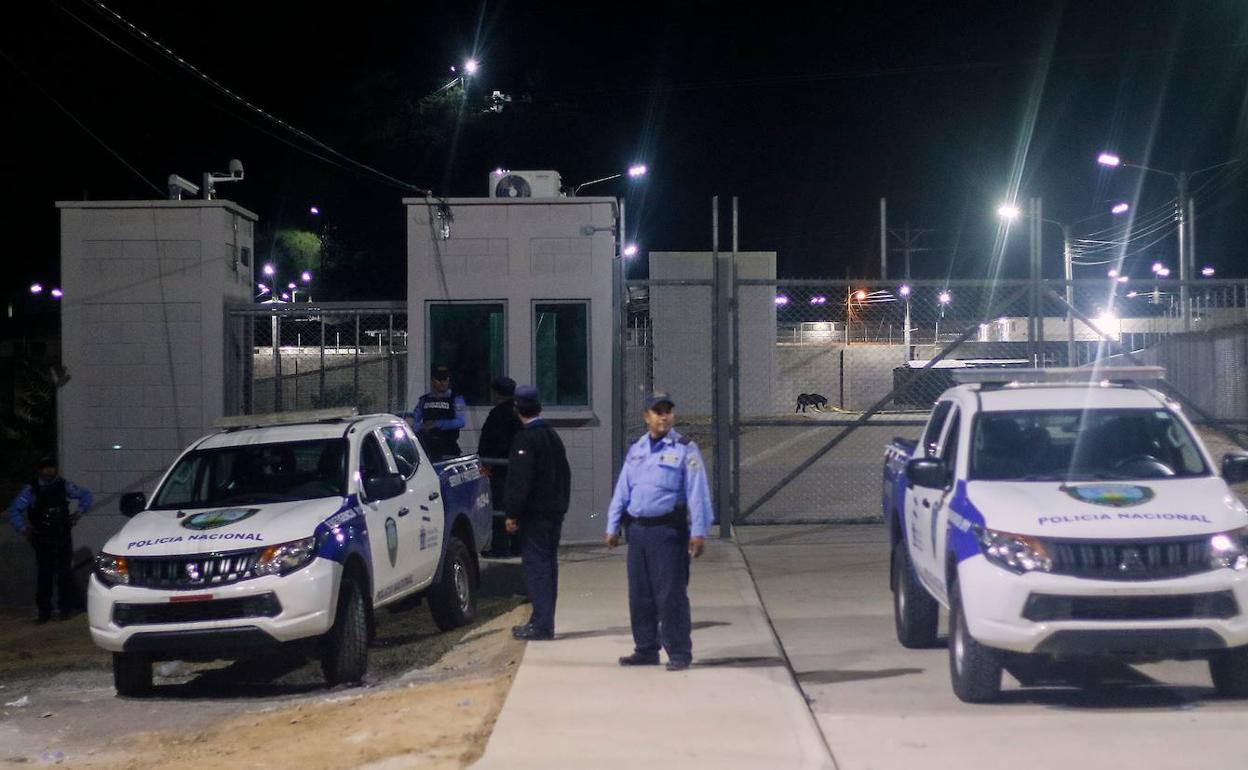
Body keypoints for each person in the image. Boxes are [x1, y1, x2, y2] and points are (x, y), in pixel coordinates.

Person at [604, 392, 713, 671]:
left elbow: (697, 492)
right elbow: (623, 490)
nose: (663, 416)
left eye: (667, 411)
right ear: (646, 417)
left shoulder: (684, 449)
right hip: (638, 532)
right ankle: (646, 649)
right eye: (657, 411)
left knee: (670, 594)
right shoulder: (636, 449)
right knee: (640, 594)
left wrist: (699, 531)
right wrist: (612, 525)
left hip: (668, 532)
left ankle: (678, 652)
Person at [505, 385, 571, 641]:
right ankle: (543, 620)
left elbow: (519, 480)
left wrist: (512, 513)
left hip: (535, 516)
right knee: (548, 567)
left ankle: (542, 625)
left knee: (537, 568)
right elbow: (565, 474)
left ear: (516, 409)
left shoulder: (526, 439)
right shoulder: (552, 436)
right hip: (554, 512)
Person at [7, 456, 94, 623]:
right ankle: (44, 613)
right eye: (46, 468)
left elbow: (86, 495)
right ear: (39, 470)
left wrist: (79, 513)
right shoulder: (31, 490)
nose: (50, 471)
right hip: (42, 537)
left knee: (64, 574)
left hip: (62, 534)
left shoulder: (63, 485)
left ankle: (65, 610)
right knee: (45, 576)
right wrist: (24, 529)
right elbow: (14, 511)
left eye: (52, 467)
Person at [478, 376, 524, 558]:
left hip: (502, 471)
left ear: (497, 393)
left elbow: (492, 442)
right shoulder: (520, 412)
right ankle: (518, 545)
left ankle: (500, 547)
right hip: (519, 469)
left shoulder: (498, 414)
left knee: (500, 508)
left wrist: (486, 461)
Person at [409, 364, 467, 461]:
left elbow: (460, 422)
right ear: (432, 380)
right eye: (439, 379)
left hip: (448, 449)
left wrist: (437, 424)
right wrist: (422, 426)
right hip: (427, 450)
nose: (442, 382)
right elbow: (414, 420)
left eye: (445, 379)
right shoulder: (424, 400)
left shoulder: (456, 399)